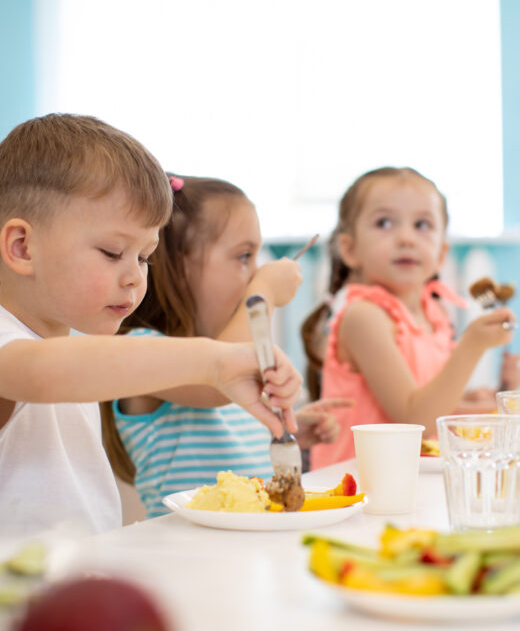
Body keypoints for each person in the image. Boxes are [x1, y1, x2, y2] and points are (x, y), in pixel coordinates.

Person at [0, 115, 302, 535]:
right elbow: (43, 371)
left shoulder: (71, 345)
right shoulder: (14, 344)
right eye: (112, 252)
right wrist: (214, 360)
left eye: (144, 258)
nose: (135, 278)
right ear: (22, 247)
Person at [102, 174, 350, 517]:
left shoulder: (227, 356)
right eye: (244, 256)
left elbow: (230, 447)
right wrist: (262, 293)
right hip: (185, 557)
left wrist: (281, 435)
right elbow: (217, 382)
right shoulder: (140, 350)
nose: (254, 272)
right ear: (177, 264)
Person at [301, 166, 516, 469]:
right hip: (359, 484)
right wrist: (472, 346)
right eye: (385, 223)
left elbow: (429, 404)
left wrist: (478, 403)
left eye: (422, 224)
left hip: (407, 477)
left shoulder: (433, 315)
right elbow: (413, 418)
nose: (406, 238)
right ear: (350, 250)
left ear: (441, 254)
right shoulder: (365, 317)